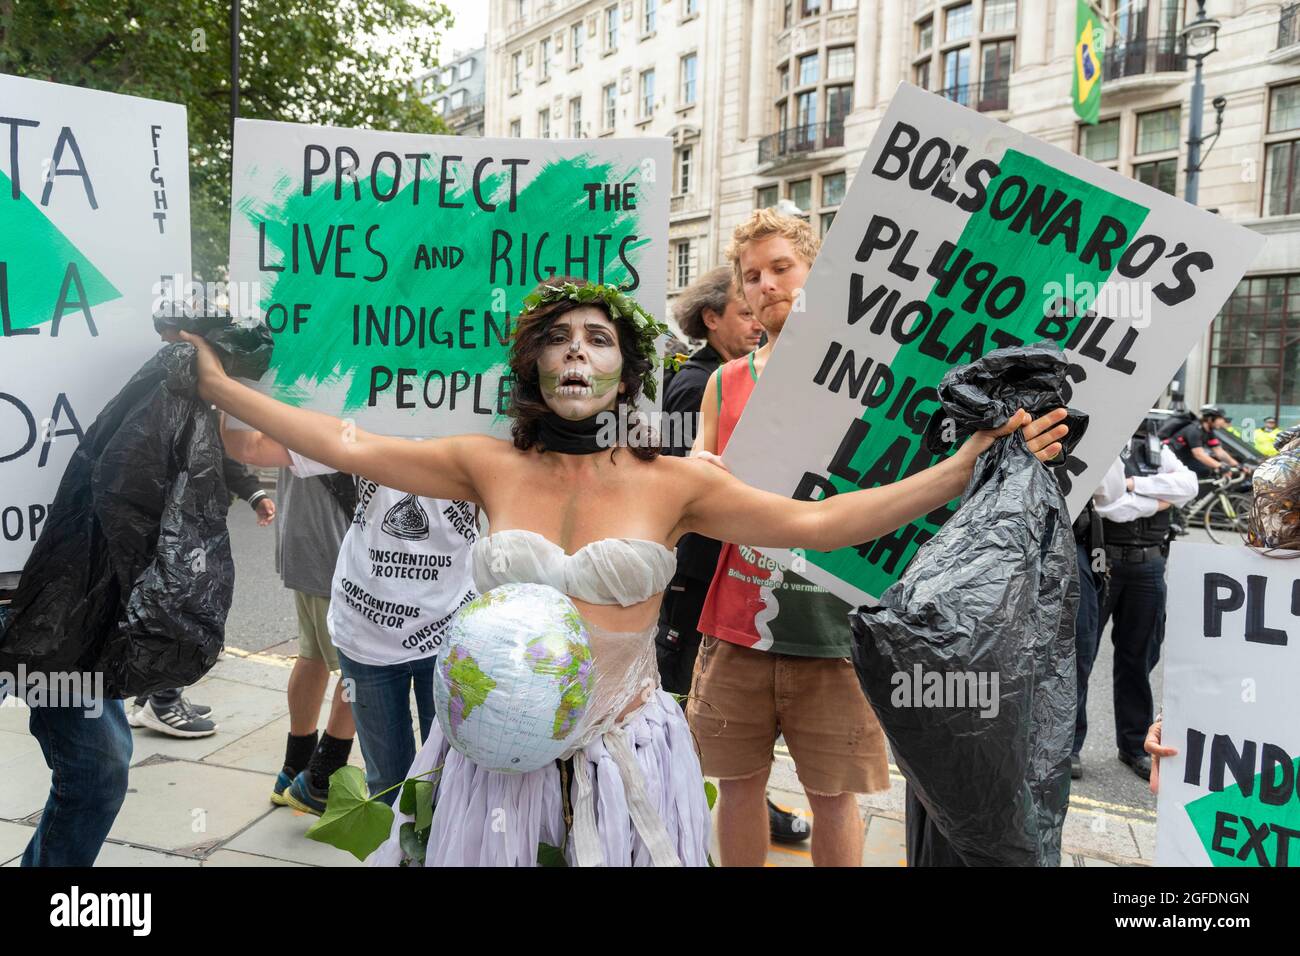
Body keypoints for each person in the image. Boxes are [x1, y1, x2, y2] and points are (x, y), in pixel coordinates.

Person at [180, 274, 1068, 867]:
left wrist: (963, 468)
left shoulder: (674, 480)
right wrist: (219, 387)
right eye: (557, 338)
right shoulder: (485, 463)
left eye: (597, 339)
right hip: (491, 760)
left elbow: (820, 522)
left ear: (625, 367)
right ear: (531, 363)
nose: (576, 352)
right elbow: (344, 440)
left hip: (626, 757)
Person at [678, 211, 879, 867]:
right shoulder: (723, 382)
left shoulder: (871, 374)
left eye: (781, 268)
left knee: (833, 796)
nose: (766, 285)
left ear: (816, 271)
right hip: (739, 624)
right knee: (738, 790)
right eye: (753, 275)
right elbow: (697, 496)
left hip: (836, 628)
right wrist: (697, 476)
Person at [223, 425, 478, 807]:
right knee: (387, 788)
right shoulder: (362, 410)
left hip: (452, 634)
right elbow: (248, 445)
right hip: (366, 633)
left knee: (448, 783)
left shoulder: (480, 419)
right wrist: (232, 368)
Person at [655, 267, 806, 842]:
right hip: (703, 572)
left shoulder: (724, 376)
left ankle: (730, 809)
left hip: (717, 565)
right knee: (698, 706)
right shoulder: (704, 384)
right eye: (743, 310)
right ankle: (688, 818)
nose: (756, 318)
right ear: (711, 318)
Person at [1081, 418, 1196, 781]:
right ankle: (1066, 748)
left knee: (1140, 660)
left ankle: (1133, 746)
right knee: (1080, 656)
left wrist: (1135, 486)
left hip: (1148, 565)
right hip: (1103, 562)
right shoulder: (1100, 441)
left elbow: (1188, 485)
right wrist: (1157, 501)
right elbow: (1109, 504)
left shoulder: (1154, 445)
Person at [128, 456, 276, 738]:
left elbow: (218, 454)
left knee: (171, 604)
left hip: (187, 519)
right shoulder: (171, 412)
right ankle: (163, 701)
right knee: (176, 607)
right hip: (174, 522)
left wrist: (253, 493)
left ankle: (151, 695)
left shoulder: (198, 412)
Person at [1166, 404, 1243, 479]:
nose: (1223, 421)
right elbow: (1199, 454)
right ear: (1210, 418)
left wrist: (1237, 465)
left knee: (1208, 471)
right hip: (1173, 459)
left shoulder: (1209, 432)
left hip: (1185, 458)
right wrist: (1220, 466)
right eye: (1220, 418)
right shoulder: (1194, 430)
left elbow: (1219, 451)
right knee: (1204, 471)